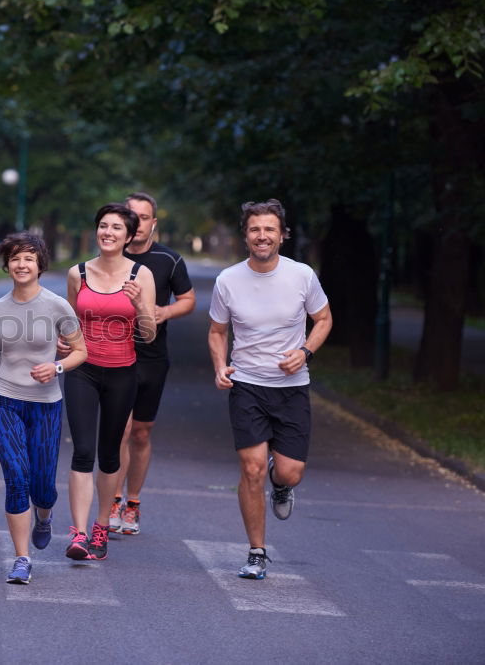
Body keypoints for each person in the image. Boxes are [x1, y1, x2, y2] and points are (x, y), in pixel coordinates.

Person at [208, 199, 332, 580]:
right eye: (255, 229)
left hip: (292, 387)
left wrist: (305, 351)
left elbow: (324, 318)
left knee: (290, 472)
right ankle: (257, 552)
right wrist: (219, 366)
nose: (262, 236)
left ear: (282, 235)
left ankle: (282, 485)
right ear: (246, 236)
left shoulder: (302, 276)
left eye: (269, 230)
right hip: (247, 385)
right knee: (251, 469)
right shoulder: (227, 280)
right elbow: (217, 331)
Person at [0, 232, 88, 584]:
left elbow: (80, 351)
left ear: (40, 265)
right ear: (6, 265)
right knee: (16, 478)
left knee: (42, 486)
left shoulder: (57, 306)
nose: (21, 264)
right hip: (5, 400)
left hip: (46, 405)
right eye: (14, 258)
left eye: (28, 258)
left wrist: (55, 366)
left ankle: (44, 515)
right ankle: (21, 559)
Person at [63, 203, 156, 561]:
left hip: (122, 372)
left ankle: (102, 525)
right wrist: (64, 341)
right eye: (103, 226)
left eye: (117, 228)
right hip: (82, 370)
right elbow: (69, 322)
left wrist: (141, 307)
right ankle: (79, 533)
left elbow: (148, 335)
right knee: (82, 450)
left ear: (129, 236)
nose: (109, 233)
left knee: (108, 454)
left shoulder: (140, 276)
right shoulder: (78, 273)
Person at [109, 192, 196, 536]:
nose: (137, 222)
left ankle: (133, 502)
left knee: (141, 433)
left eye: (143, 217)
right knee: (122, 428)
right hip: (115, 354)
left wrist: (165, 311)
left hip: (152, 357)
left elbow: (188, 300)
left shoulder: (168, 260)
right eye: (130, 215)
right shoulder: (109, 256)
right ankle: (113, 499)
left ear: (153, 223)